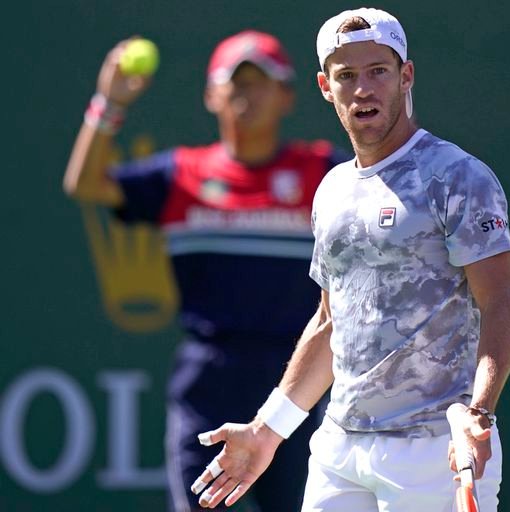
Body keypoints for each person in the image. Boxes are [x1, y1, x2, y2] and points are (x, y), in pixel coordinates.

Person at [190, 7, 510, 512]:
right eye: (347, 76)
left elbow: (499, 302)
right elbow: (330, 322)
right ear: (326, 86)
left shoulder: (459, 178)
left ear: (405, 76)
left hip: (434, 449)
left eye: (378, 71)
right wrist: (267, 430)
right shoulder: (332, 190)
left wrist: (479, 413)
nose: (363, 89)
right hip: (339, 449)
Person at [63, 30, 348, 511]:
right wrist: (108, 104)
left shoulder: (324, 172)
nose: (246, 93)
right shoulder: (181, 174)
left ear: (286, 96)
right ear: (211, 95)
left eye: (261, 81)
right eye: (235, 82)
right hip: (208, 385)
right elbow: (86, 184)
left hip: (300, 381)